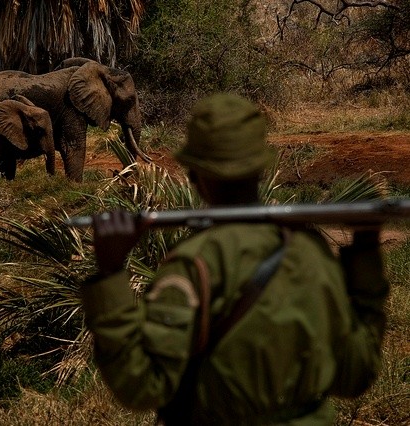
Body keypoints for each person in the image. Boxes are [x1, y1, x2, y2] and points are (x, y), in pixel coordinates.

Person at [80, 93, 389, 425]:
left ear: (195, 175)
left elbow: (141, 387)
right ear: (260, 170)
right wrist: (366, 249)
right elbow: (355, 375)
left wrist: (111, 273)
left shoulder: (193, 266)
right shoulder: (311, 253)